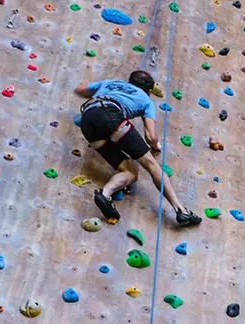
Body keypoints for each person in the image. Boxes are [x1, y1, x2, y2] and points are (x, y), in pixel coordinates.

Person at [73, 70, 201, 226]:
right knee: (152, 165)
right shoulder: (146, 100)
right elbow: (150, 136)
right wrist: (154, 146)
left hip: (88, 121)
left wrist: (98, 93)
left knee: (131, 172)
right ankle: (181, 210)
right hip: (111, 115)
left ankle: (105, 195)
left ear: (130, 81)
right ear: (149, 91)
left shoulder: (110, 83)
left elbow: (80, 89)